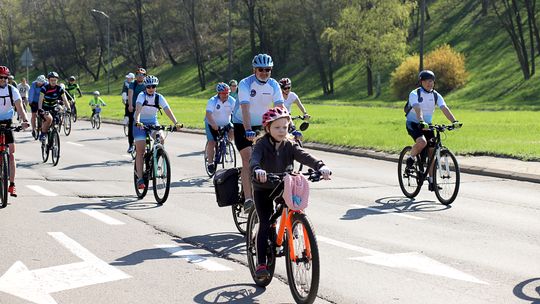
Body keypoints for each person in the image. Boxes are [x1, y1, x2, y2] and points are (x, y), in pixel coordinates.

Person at [250, 107, 331, 279]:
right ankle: (261, 263)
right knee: (265, 222)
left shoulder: (289, 145)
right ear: (267, 128)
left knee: (293, 207)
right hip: (263, 188)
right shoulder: (261, 145)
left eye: (284, 127)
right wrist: (257, 169)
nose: (281, 131)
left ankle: (292, 226)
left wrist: (320, 166)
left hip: (283, 186)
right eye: (277, 127)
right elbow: (254, 159)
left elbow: (304, 156)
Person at [233, 53, 284, 213]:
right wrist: (248, 130)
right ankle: (248, 199)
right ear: (254, 70)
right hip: (243, 124)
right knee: (248, 159)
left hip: (262, 124)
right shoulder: (245, 83)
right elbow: (245, 109)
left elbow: (280, 108)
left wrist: (288, 127)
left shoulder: (274, 84)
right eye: (261, 69)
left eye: (268, 69)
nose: (264, 72)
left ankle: (268, 193)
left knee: (270, 158)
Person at [404, 70, 461, 191]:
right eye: (427, 81)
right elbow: (417, 108)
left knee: (432, 152)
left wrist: (454, 121)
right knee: (422, 142)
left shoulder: (435, 95)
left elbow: (444, 108)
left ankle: (431, 181)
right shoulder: (414, 94)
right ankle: (411, 158)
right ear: (421, 82)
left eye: (432, 81)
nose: (430, 83)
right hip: (414, 123)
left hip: (428, 125)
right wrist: (420, 120)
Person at [133, 75, 182, 189]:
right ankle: (140, 179)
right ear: (145, 87)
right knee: (140, 150)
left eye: (153, 86)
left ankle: (156, 157)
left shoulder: (159, 97)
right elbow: (138, 110)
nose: (151, 88)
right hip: (139, 123)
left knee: (161, 138)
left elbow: (167, 110)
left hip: (153, 122)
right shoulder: (141, 96)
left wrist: (176, 122)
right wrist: (138, 121)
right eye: (149, 86)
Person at [0, 66, 30, 197]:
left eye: (5, 77)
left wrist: (25, 120)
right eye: (0, 77)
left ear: (8, 78)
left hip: (7, 122)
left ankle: (12, 185)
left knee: (11, 154)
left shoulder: (12, 90)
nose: (2, 80)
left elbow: (20, 107)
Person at [205, 82, 236, 174]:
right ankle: (210, 163)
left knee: (233, 130)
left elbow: (238, 112)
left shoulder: (232, 100)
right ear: (219, 93)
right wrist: (213, 124)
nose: (226, 95)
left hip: (226, 122)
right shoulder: (213, 100)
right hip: (211, 123)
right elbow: (208, 114)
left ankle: (226, 144)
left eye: (227, 93)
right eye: (224, 93)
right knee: (212, 142)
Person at [38, 71, 71, 142]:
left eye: (55, 80)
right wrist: (40, 109)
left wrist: (68, 108)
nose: (53, 82)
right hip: (45, 107)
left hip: (54, 107)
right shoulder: (44, 88)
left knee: (57, 119)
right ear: (48, 80)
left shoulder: (59, 89)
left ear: (57, 80)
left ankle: (53, 134)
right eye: (51, 80)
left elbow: (65, 99)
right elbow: (40, 100)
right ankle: (43, 134)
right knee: (49, 119)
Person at [127, 67, 147, 154]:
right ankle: (131, 144)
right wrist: (130, 105)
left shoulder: (147, 84)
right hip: (134, 107)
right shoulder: (133, 84)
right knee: (132, 125)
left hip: (144, 107)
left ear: (144, 76)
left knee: (147, 125)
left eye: (142, 75)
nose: (140, 76)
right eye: (138, 74)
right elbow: (130, 94)